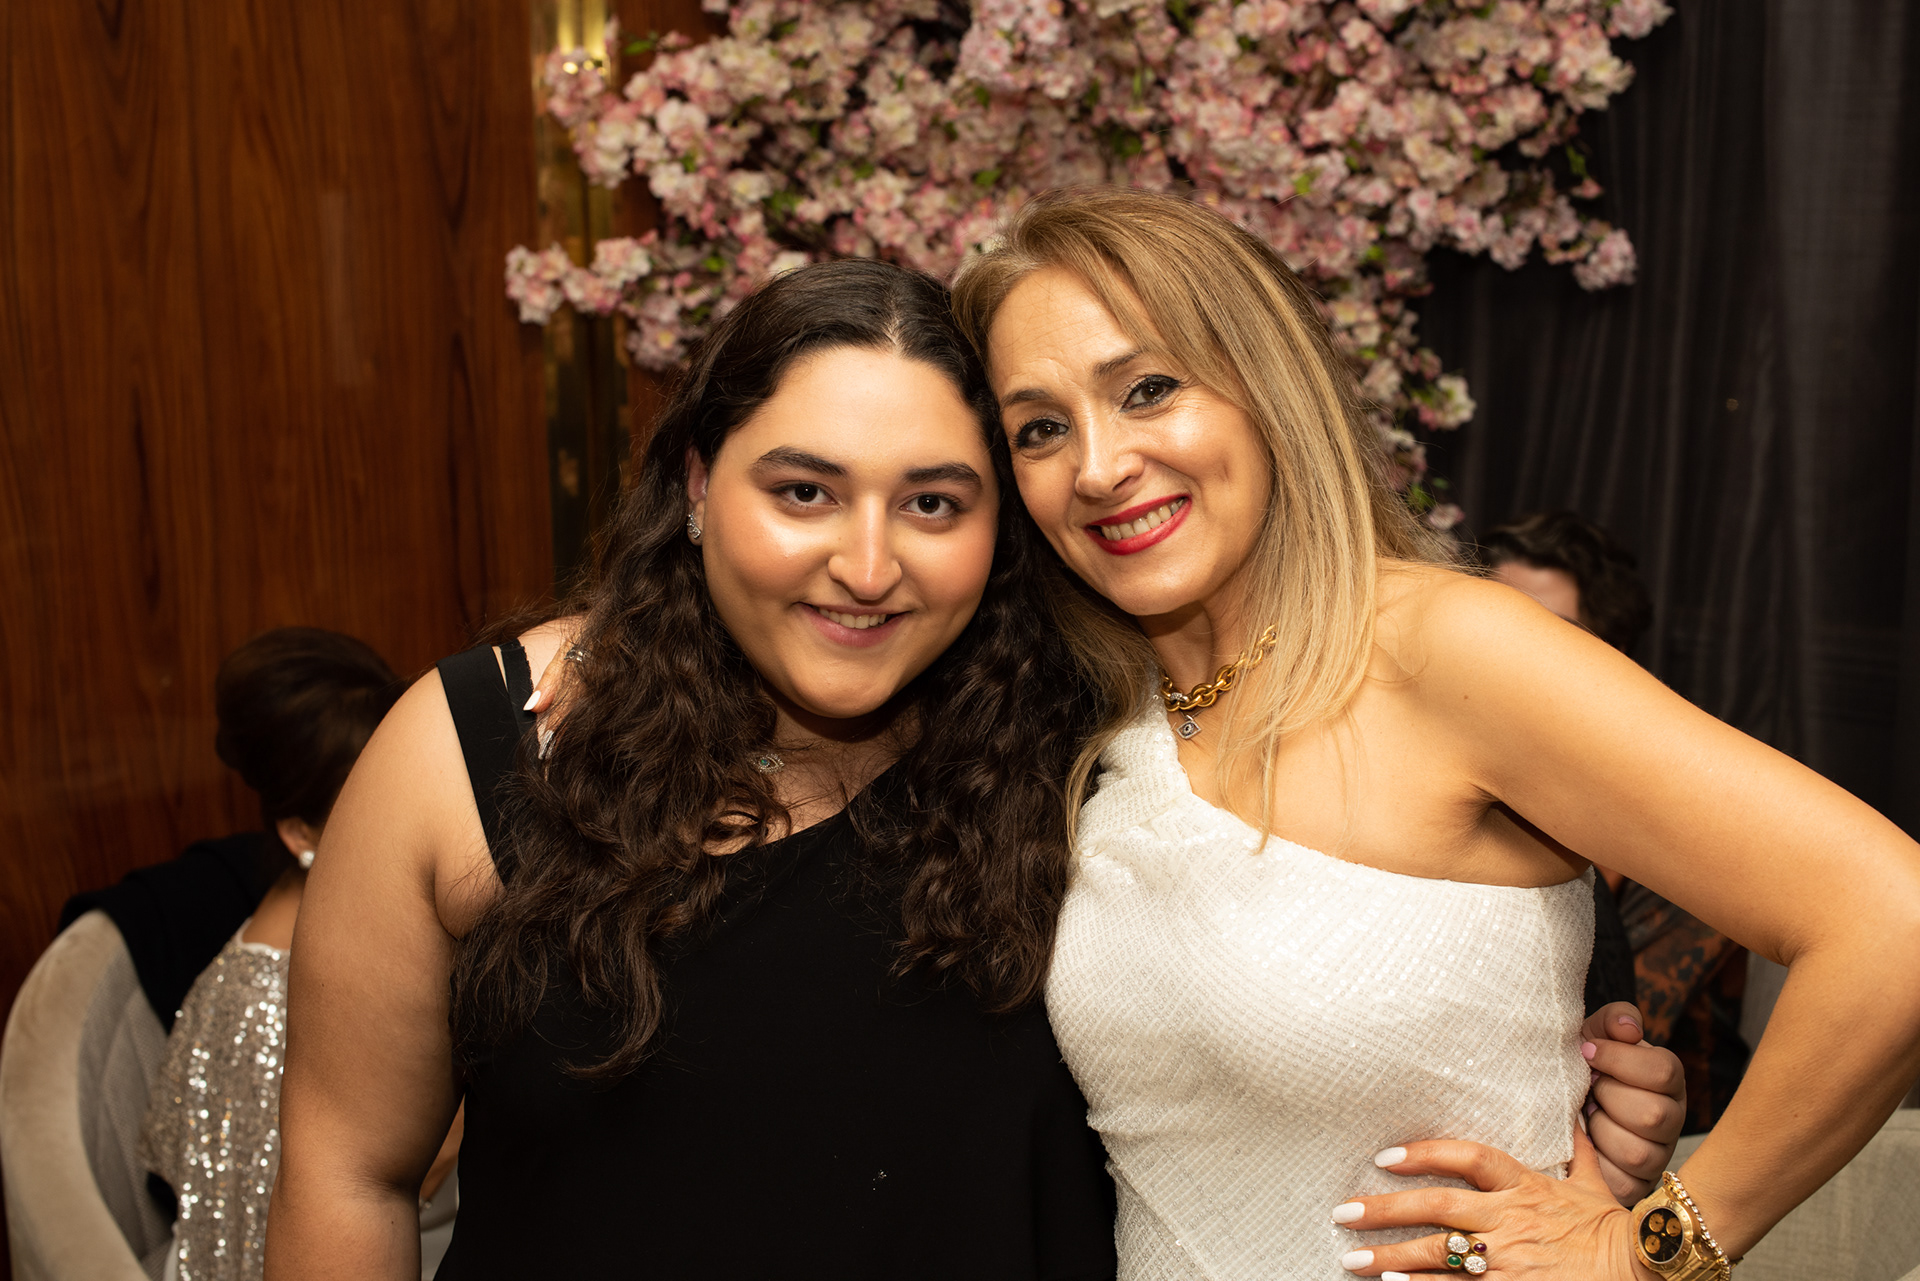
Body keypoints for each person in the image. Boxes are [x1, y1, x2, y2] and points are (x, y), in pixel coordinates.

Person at [268, 260, 1677, 1280]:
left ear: (1005, 525)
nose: (866, 564)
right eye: (803, 490)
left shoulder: (1095, 736)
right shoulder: (487, 746)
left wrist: (1568, 1096)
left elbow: (1420, 903)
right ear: (697, 484)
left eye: (935, 502)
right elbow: (348, 1166)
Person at [950, 188, 1920, 1281]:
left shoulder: (1443, 648)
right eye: (1040, 428)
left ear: (1267, 386)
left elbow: (1892, 919)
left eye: (1148, 389)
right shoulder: (1099, 722)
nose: (1096, 465)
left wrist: (1650, 1250)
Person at [132, 628, 463, 1281]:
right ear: (299, 833)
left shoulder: (358, 925)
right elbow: (245, 1247)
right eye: (371, 803)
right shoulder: (265, 1010)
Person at [1485, 511, 1748, 1131]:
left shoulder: (1687, 840)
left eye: (1553, 633)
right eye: (1496, 624)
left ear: (1613, 658)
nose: (1511, 657)